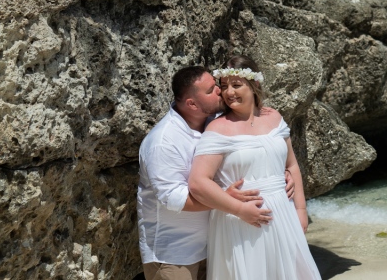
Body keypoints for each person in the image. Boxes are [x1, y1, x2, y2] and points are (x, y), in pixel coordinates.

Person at [137, 66, 291, 280]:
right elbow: (173, 199)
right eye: (211, 90)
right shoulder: (164, 141)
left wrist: (281, 171)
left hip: (217, 243)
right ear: (192, 104)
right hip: (175, 254)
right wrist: (230, 202)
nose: (221, 91)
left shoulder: (215, 122)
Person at [189, 55, 321, 280]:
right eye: (224, 86)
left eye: (237, 85)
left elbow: (291, 165)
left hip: (283, 214)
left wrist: (300, 211)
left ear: (255, 85)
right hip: (241, 222)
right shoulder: (218, 128)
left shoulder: (274, 117)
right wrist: (240, 210)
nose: (230, 92)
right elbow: (198, 182)